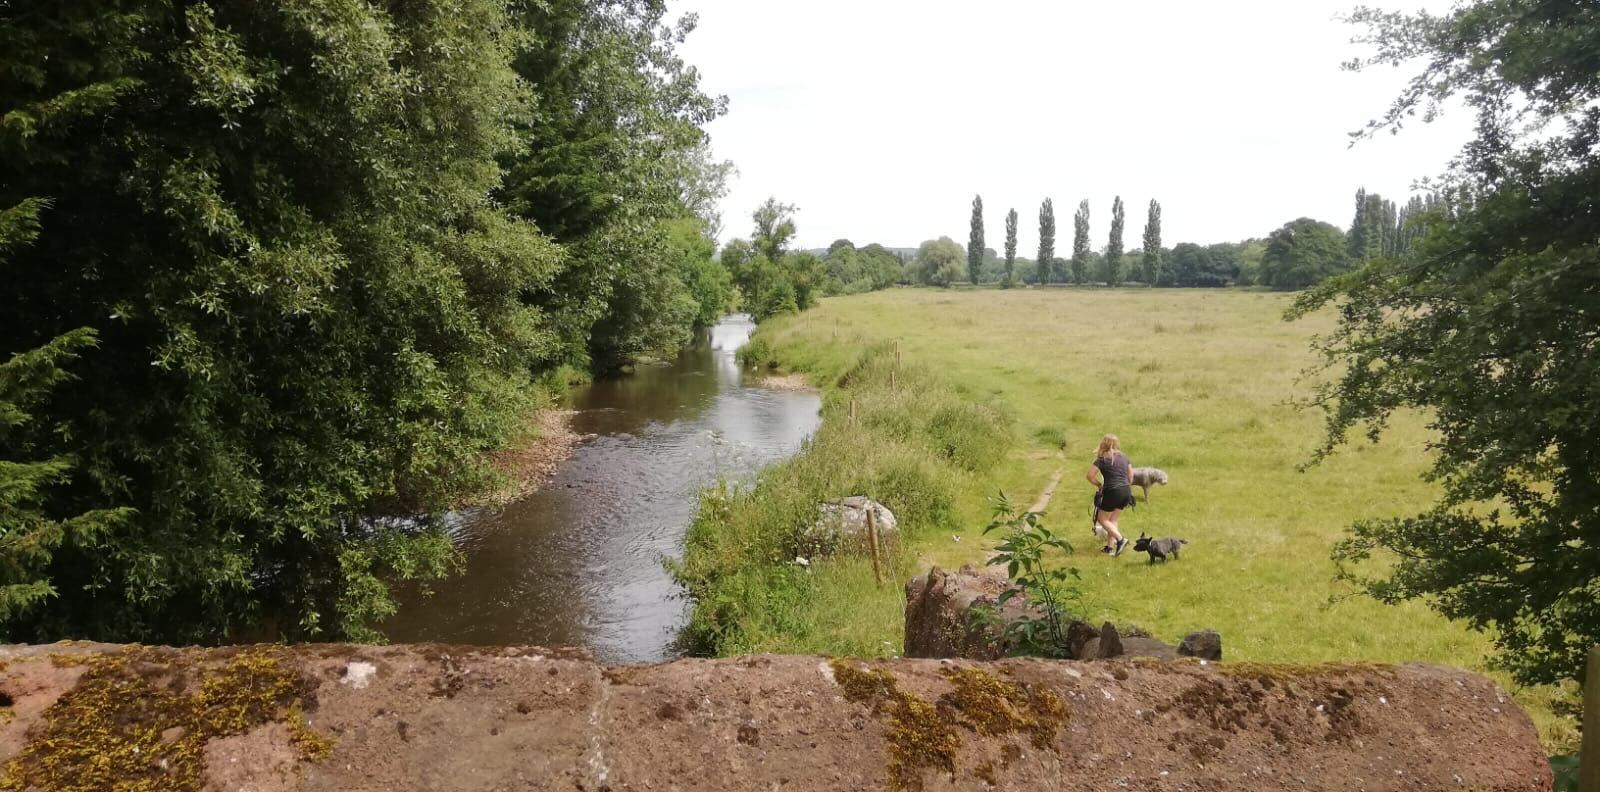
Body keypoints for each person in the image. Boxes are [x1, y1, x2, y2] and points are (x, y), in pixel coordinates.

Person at [1086, 433, 1135, 556]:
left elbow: (1090, 476)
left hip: (1113, 491)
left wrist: (1099, 485)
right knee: (1113, 519)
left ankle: (1120, 539)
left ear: (1103, 444)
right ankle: (1109, 547)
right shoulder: (1125, 457)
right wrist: (1125, 486)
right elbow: (1131, 476)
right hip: (1126, 491)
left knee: (1102, 519)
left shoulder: (1102, 459)